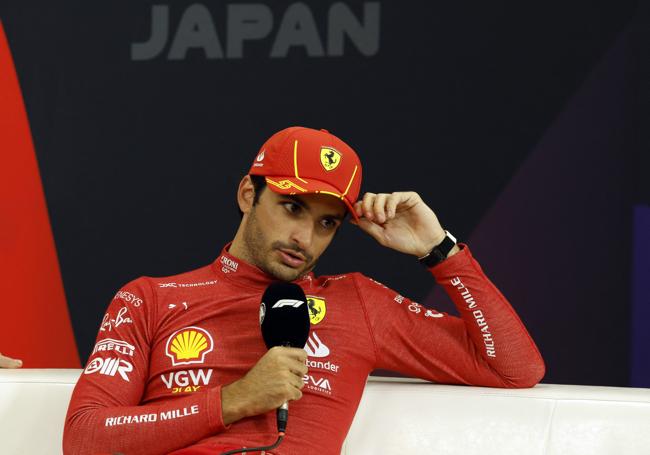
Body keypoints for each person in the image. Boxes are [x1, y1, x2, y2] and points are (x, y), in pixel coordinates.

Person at [63, 127, 545, 455]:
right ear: (248, 195)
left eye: (327, 223)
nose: (305, 239)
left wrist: (439, 252)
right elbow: (84, 436)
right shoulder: (150, 298)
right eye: (292, 208)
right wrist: (234, 400)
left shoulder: (359, 302)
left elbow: (514, 369)